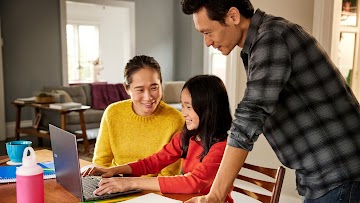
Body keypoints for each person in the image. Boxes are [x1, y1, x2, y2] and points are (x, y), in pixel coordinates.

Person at [181, 0, 360, 203]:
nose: (207, 42)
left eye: (208, 32)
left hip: (339, 174)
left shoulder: (272, 38)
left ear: (233, 16)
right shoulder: (259, 44)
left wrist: (215, 196)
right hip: (324, 177)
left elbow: (248, 119)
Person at [84, 75, 234, 203]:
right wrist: (113, 170)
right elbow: (153, 163)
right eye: (182, 106)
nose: (184, 113)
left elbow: (193, 182)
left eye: (189, 107)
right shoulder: (187, 137)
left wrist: (131, 183)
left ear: (208, 109)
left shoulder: (222, 147)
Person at [92, 55, 184, 176]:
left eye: (154, 87)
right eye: (140, 90)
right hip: (115, 184)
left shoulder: (175, 120)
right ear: (127, 89)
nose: (148, 97)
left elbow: (168, 176)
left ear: (161, 84)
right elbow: (101, 163)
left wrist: (132, 186)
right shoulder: (113, 113)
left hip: (152, 190)